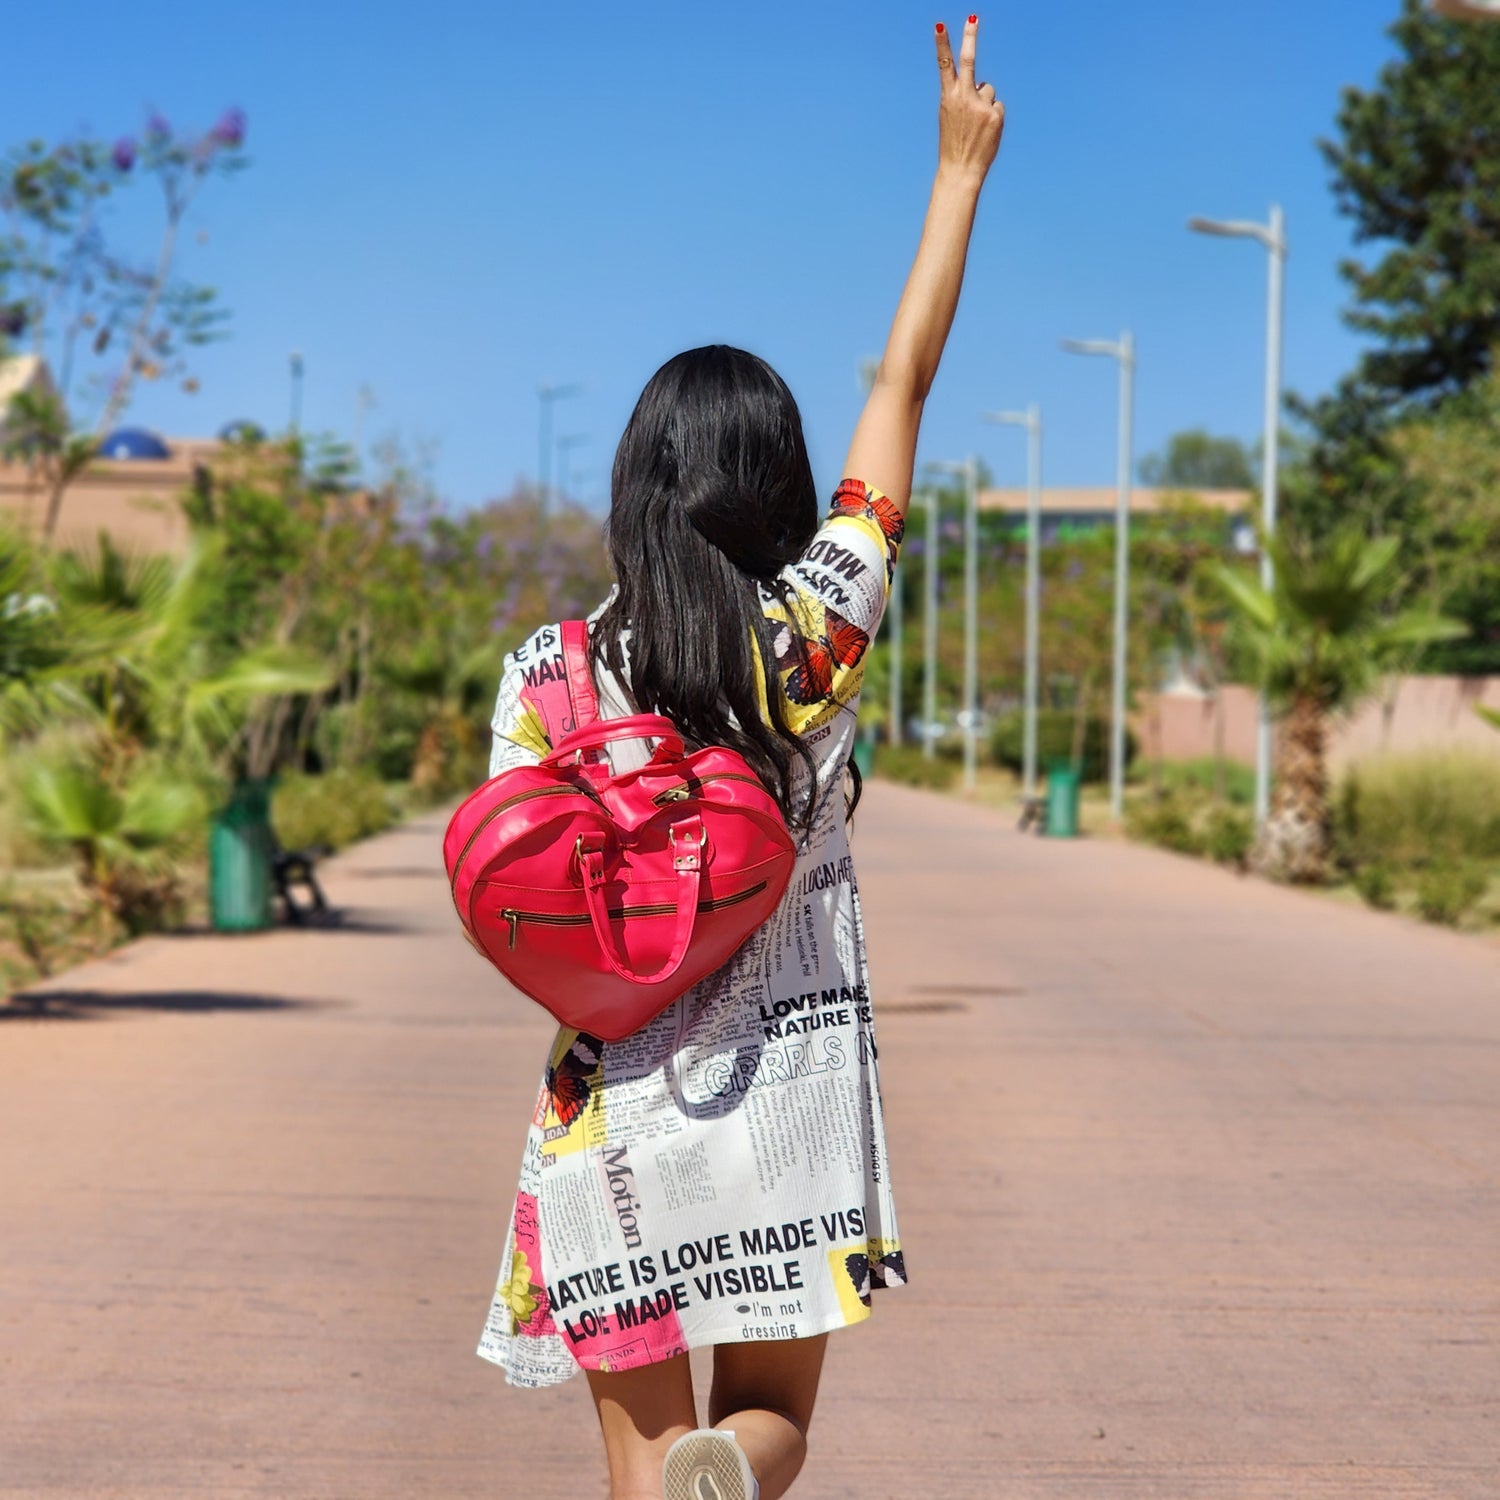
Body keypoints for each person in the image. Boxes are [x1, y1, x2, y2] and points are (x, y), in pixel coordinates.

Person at [476, 18, 1003, 1500]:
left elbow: (511, 878)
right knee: (770, 1418)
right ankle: (732, 1472)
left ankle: (676, 1475)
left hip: (610, 1110)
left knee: (634, 1461)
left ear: (635, 486)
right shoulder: (813, 636)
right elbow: (901, 385)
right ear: (776, 487)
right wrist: (957, 173)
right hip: (791, 1100)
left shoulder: (552, 671)